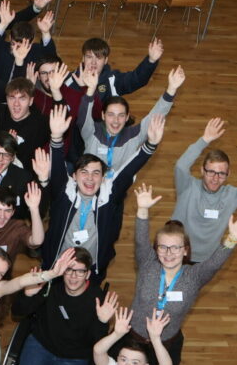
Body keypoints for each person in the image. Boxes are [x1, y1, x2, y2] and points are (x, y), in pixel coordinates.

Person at [129, 185, 237, 365]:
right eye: (163, 247)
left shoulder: (194, 276)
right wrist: (143, 210)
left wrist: (232, 238)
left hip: (165, 346)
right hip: (132, 343)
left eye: (176, 248)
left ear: (185, 250)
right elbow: (140, 240)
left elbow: (214, 263)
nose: (169, 253)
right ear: (156, 249)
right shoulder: (148, 264)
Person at [38, 105, 164, 281]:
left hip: (92, 271)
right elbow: (58, 166)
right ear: (74, 176)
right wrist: (57, 137)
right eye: (84, 172)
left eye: (96, 173)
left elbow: (129, 170)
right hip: (56, 267)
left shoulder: (109, 194)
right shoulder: (64, 191)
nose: (90, 178)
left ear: (103, 178)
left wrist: (150, 145)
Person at [171, 118, 237, 261]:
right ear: (202, 170)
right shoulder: (187, 186)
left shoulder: (232, 195)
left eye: (221, 174)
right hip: (172, 254)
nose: (215, 178)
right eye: (211, 172)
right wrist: (204, 140)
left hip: (206, 261)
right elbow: (181, 166)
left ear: (228, 174)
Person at [79, 65, 185, 178]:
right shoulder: (91, 132)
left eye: (121, 115)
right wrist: (90, 90)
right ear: (103, 116)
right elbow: (83, 116)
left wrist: (171, 89)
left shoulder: (134, 135)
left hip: (117, 190)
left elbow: (155, 117)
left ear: (127, 117)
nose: (116, 121)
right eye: (111, 115)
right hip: (88, 185)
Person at [65, 38, 164, 120]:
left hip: (102, 131)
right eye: (89, 57)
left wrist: (151, 61)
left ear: (106, 60)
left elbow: (136, 79)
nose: (93, 62)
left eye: (98, 58)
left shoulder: (112, 79)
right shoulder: (70, 80)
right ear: (83, 58)